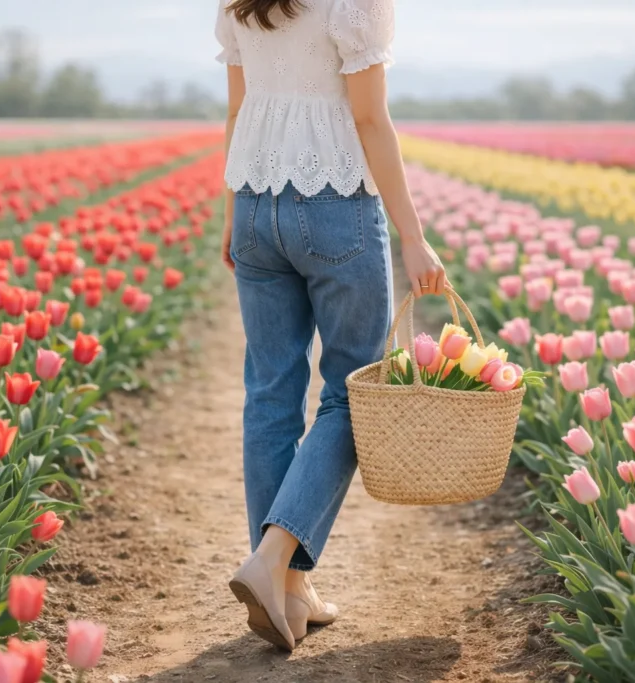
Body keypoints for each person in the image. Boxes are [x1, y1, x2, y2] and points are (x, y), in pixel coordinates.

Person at [216, 0, 447, 651]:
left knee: (269, 393)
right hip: (335, 207)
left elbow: (237, 111)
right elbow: (369, 116)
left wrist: (232, 210)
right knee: (353, 390)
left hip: (255, 204)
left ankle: (288, 587)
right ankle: (273, 557)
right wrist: (413, 235)